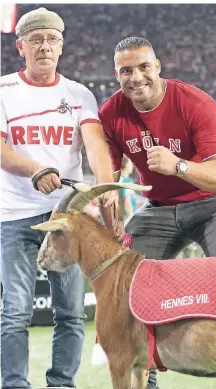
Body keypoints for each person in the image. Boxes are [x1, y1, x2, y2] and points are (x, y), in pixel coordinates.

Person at [98, 36, 216, 389]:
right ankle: (147, 376)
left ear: (158, 67)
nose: (136, 77)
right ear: (116, 75)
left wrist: (179, 166)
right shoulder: (111, 113)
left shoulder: (195, 102)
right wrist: (110, 223)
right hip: (158, 209)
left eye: (143, 67)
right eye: (126, 71)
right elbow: (109, 182)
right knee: (127, 284)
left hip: (215, 204)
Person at [0, 7, 116, 389]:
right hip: (15, 217)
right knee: (15, 313)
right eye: (36, 40)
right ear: (21, 47)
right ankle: (15, 384)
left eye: (51, 39)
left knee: (70, 313)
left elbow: (96, 145)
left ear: (61, 46)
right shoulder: (3, 90)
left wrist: (105, 187)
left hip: (67, 219)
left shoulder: (78, 94)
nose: (44, 47)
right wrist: (34, 170)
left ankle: (61, 384)